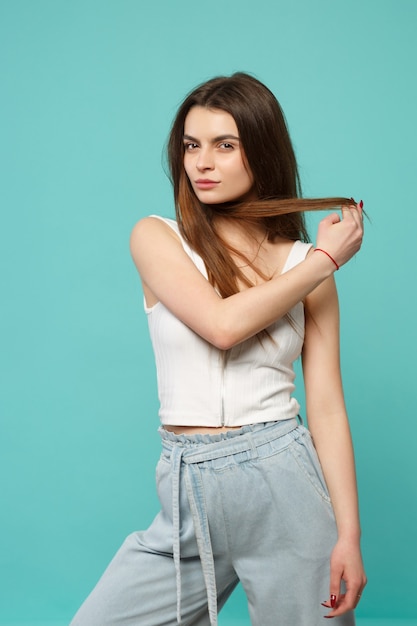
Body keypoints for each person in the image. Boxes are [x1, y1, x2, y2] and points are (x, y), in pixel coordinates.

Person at [70, 72, 366, 626]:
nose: (201, 162)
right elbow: (222, 326)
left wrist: (348, 534)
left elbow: (326, 407)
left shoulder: (305, 267)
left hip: (283, 483)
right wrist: (324, 261)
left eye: (224, 145)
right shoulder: (158, 237)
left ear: (261, 149)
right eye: (191, 145)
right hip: (187, 486)